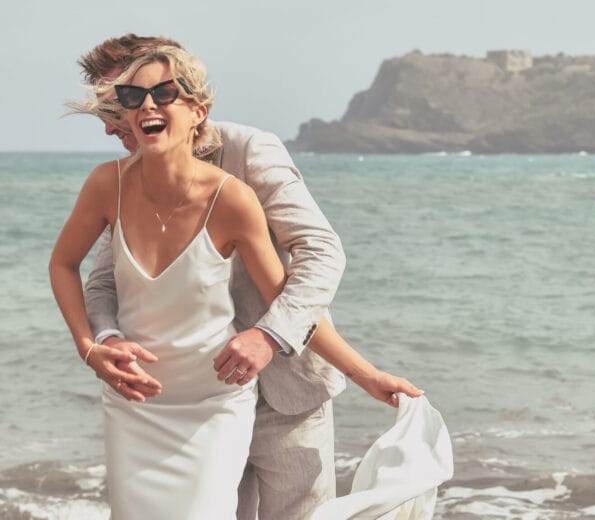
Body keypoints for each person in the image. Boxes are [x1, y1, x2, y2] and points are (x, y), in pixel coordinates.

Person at [61, 41, 420, 518]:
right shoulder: (123, 181)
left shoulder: (249, 151)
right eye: (115, 106)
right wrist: (102, 340)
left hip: (286, 394)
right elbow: (103, 281)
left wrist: (273, 336)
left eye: (118, 104)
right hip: (176, 401)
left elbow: (321, 251)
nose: (112, 124)